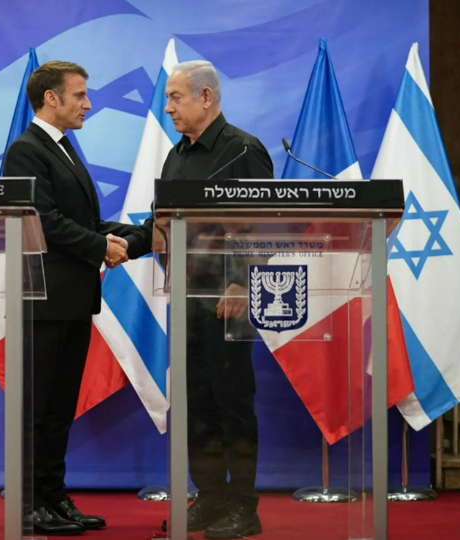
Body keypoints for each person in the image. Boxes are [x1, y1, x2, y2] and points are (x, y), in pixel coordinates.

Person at [122, 60, 273, 539]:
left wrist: (242, 281)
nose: (167, 108)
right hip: (185, 296)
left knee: (232, 403)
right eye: (167, 99)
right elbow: (164, 226)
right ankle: (209, 498)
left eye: (175, 97)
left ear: (206, 97)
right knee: (195, 405)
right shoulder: (176, 156)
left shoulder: (244, 150)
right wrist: (117, 244)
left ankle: (243, 508)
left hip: (228, 300)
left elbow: (263, 227)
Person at [2, 60, 135, 536]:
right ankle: (27, 503)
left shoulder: (63, 147)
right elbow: (43, 218)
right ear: (51, 98)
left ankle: (54, 498)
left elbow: (82, 221)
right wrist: (101, 245)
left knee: (59, 409)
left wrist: (144, 237)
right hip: (43, 303)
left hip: (73, 301)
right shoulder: (26, 150)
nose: (89, 103)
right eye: (80, 94)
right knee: (35, 409)